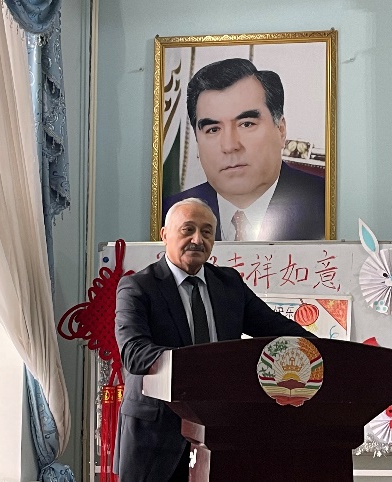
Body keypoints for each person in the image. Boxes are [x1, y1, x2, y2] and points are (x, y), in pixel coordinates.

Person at [114, 198, 315, 481]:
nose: (198, 240)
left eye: (207, 232)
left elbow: (277, 329)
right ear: (165, 235)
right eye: (188, 230)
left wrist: (321, 349)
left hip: (219, 435)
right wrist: (204, 365)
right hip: (154, 437)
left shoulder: (229, 284)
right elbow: (134, 353)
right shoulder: (138, 286)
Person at [162, 58, 325, 241]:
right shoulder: (168, 213)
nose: (230, 146)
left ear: (280, 130)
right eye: (213, 129)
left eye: (246, 124)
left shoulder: (327, 203)